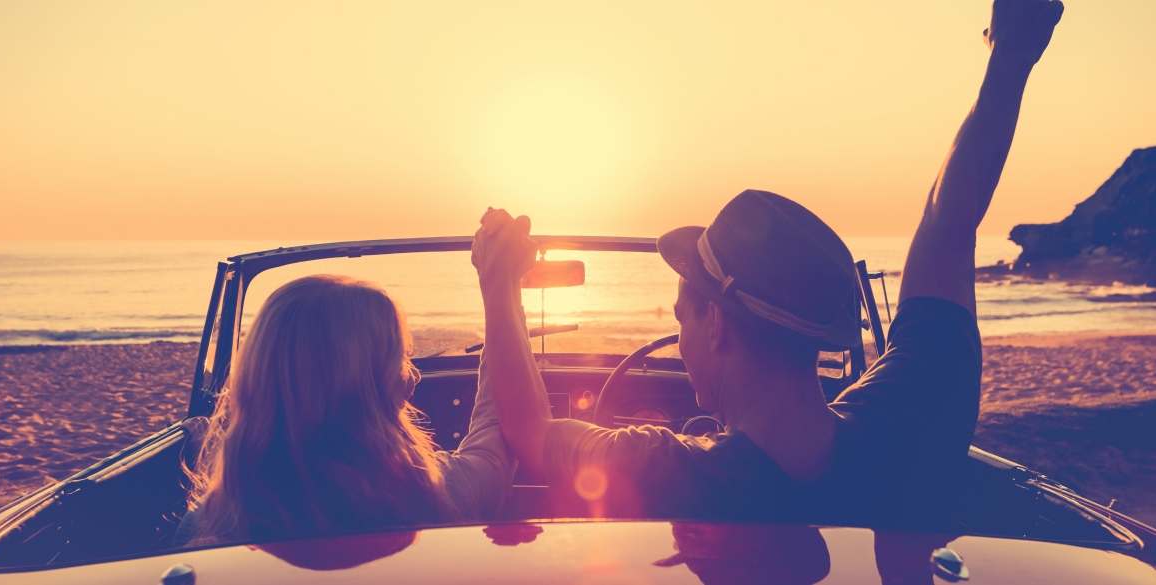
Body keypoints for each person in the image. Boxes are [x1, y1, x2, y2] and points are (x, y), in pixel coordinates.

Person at [471, 0, 1063, 528]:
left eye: (681, 317)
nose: (678, 342)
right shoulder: (907, 421)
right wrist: (1010, 61)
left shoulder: (662, 472)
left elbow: (531, 433)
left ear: (716, 323)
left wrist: (500, 287)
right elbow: (948, 228)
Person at [176, 274, 520, 545]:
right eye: (398, 360)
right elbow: (498, 437)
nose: (412, 377)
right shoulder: (437, 492)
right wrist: (499, 285)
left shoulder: (206, 525)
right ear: (375, 391)